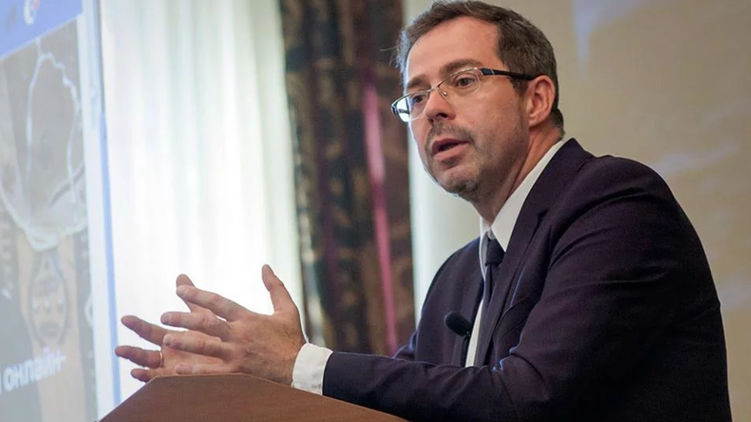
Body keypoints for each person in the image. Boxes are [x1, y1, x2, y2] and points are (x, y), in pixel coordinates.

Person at [115, 1, 731, 421]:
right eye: (415, 95)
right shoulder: (459, 276)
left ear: (536, 98)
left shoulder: (615, 204)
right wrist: (247, 380)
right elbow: (390, 404)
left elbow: (526, 399)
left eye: (462, 80)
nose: (432, 108)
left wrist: (297, 362)